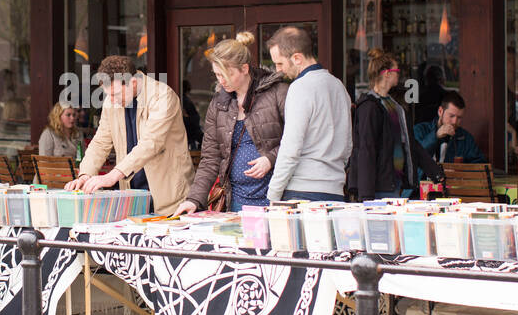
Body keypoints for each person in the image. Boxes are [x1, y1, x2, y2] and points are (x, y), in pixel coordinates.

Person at [177, 33, 287, 214]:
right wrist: (194, 199)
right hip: (236, 201)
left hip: (276, 199)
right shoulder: (218, 104)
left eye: (227, 74)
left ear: (244, 68)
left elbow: (298, 141)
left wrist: (270, 158)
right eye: (217, 74)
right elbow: (210, 158)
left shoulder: (278, 93)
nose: (221, 80)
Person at [67, 55, 192, 214]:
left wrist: (111, 177)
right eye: (108, 94)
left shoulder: (163, 96)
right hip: (132, 197)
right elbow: (100, 142)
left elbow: (150, 144)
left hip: (169, 196)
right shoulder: (111, 102)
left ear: (133, 83)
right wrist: (85, 175)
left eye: (115, 94)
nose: (111, 100)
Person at [265, 25, 354, 203]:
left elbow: (291, 148)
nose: (278, 70)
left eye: (280, 63)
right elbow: (348, 145)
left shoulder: (300, 87)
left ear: (297, 57)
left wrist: (273, 195)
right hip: (335, 190)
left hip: (302, 191)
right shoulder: (338, 86)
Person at [351, 48, 442, 200]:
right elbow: (366, 149)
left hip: (393, 183)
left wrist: (434, 171)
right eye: (397, 71)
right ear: (387, 74)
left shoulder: (394, 106)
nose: (399, 74)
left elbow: (409, 143)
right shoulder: (370, 106)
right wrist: (366, 194)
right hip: (378, 186)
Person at [413, 90, 486, 169]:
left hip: (454, 180)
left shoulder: (465, 137)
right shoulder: (420, 130)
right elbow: (415, 157)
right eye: (451, 116)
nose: (454, 121)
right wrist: (435, 136)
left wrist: (460, 172)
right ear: (440, 111)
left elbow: (479, 164)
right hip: (423, 181)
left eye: (459, 118)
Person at [180, 79, 204, 150]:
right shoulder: (186, 101)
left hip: (187, 134)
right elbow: (194, 119)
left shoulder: (183, 100)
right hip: (190, 134)